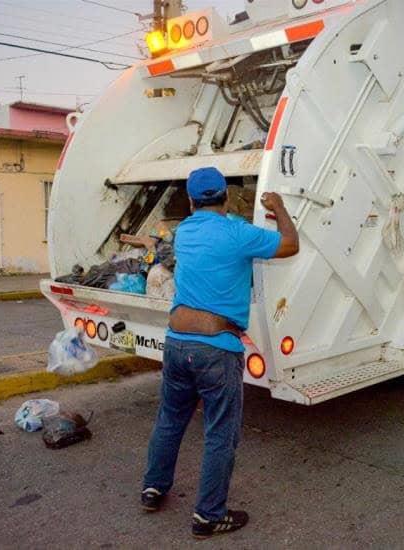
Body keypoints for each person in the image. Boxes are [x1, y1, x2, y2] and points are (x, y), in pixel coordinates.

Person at [140, 167, 299, 539]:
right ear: (226, 198)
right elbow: (291, 244)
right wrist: (279, 207)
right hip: (216, 350)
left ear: (192, 201)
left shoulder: (184, 233)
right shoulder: (237, 232)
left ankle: (153, 488)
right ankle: (209, 516)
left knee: (170, 419)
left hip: (177, 344)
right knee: (219, 433)